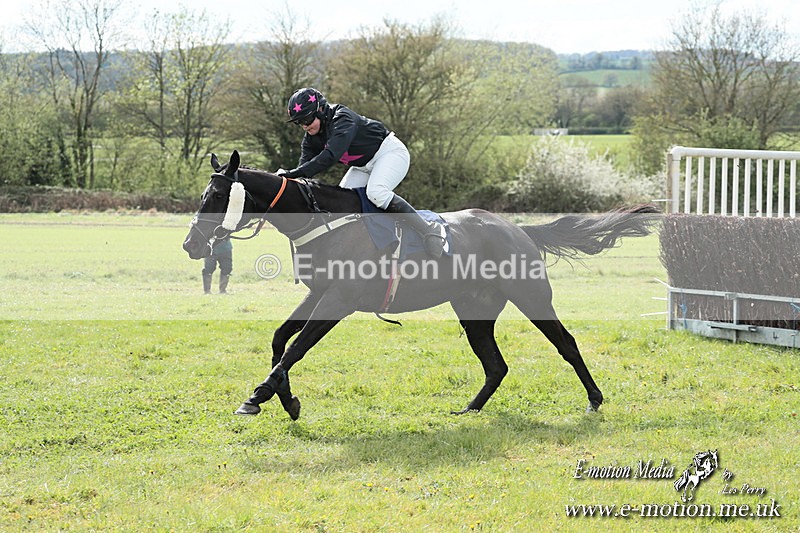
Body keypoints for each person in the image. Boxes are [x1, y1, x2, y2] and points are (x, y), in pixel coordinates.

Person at [277, 87, 446, 258]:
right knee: (341, 204)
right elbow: (304, 169)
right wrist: (289, 180)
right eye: (299, 122)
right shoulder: (311, 138)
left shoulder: (342, 118)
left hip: (390, 153)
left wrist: (292, 173)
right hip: (363, 166)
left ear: (320, 109)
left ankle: (429, 230)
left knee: (376, 193)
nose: (304, 126)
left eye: (306, 119)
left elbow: (330, 156)